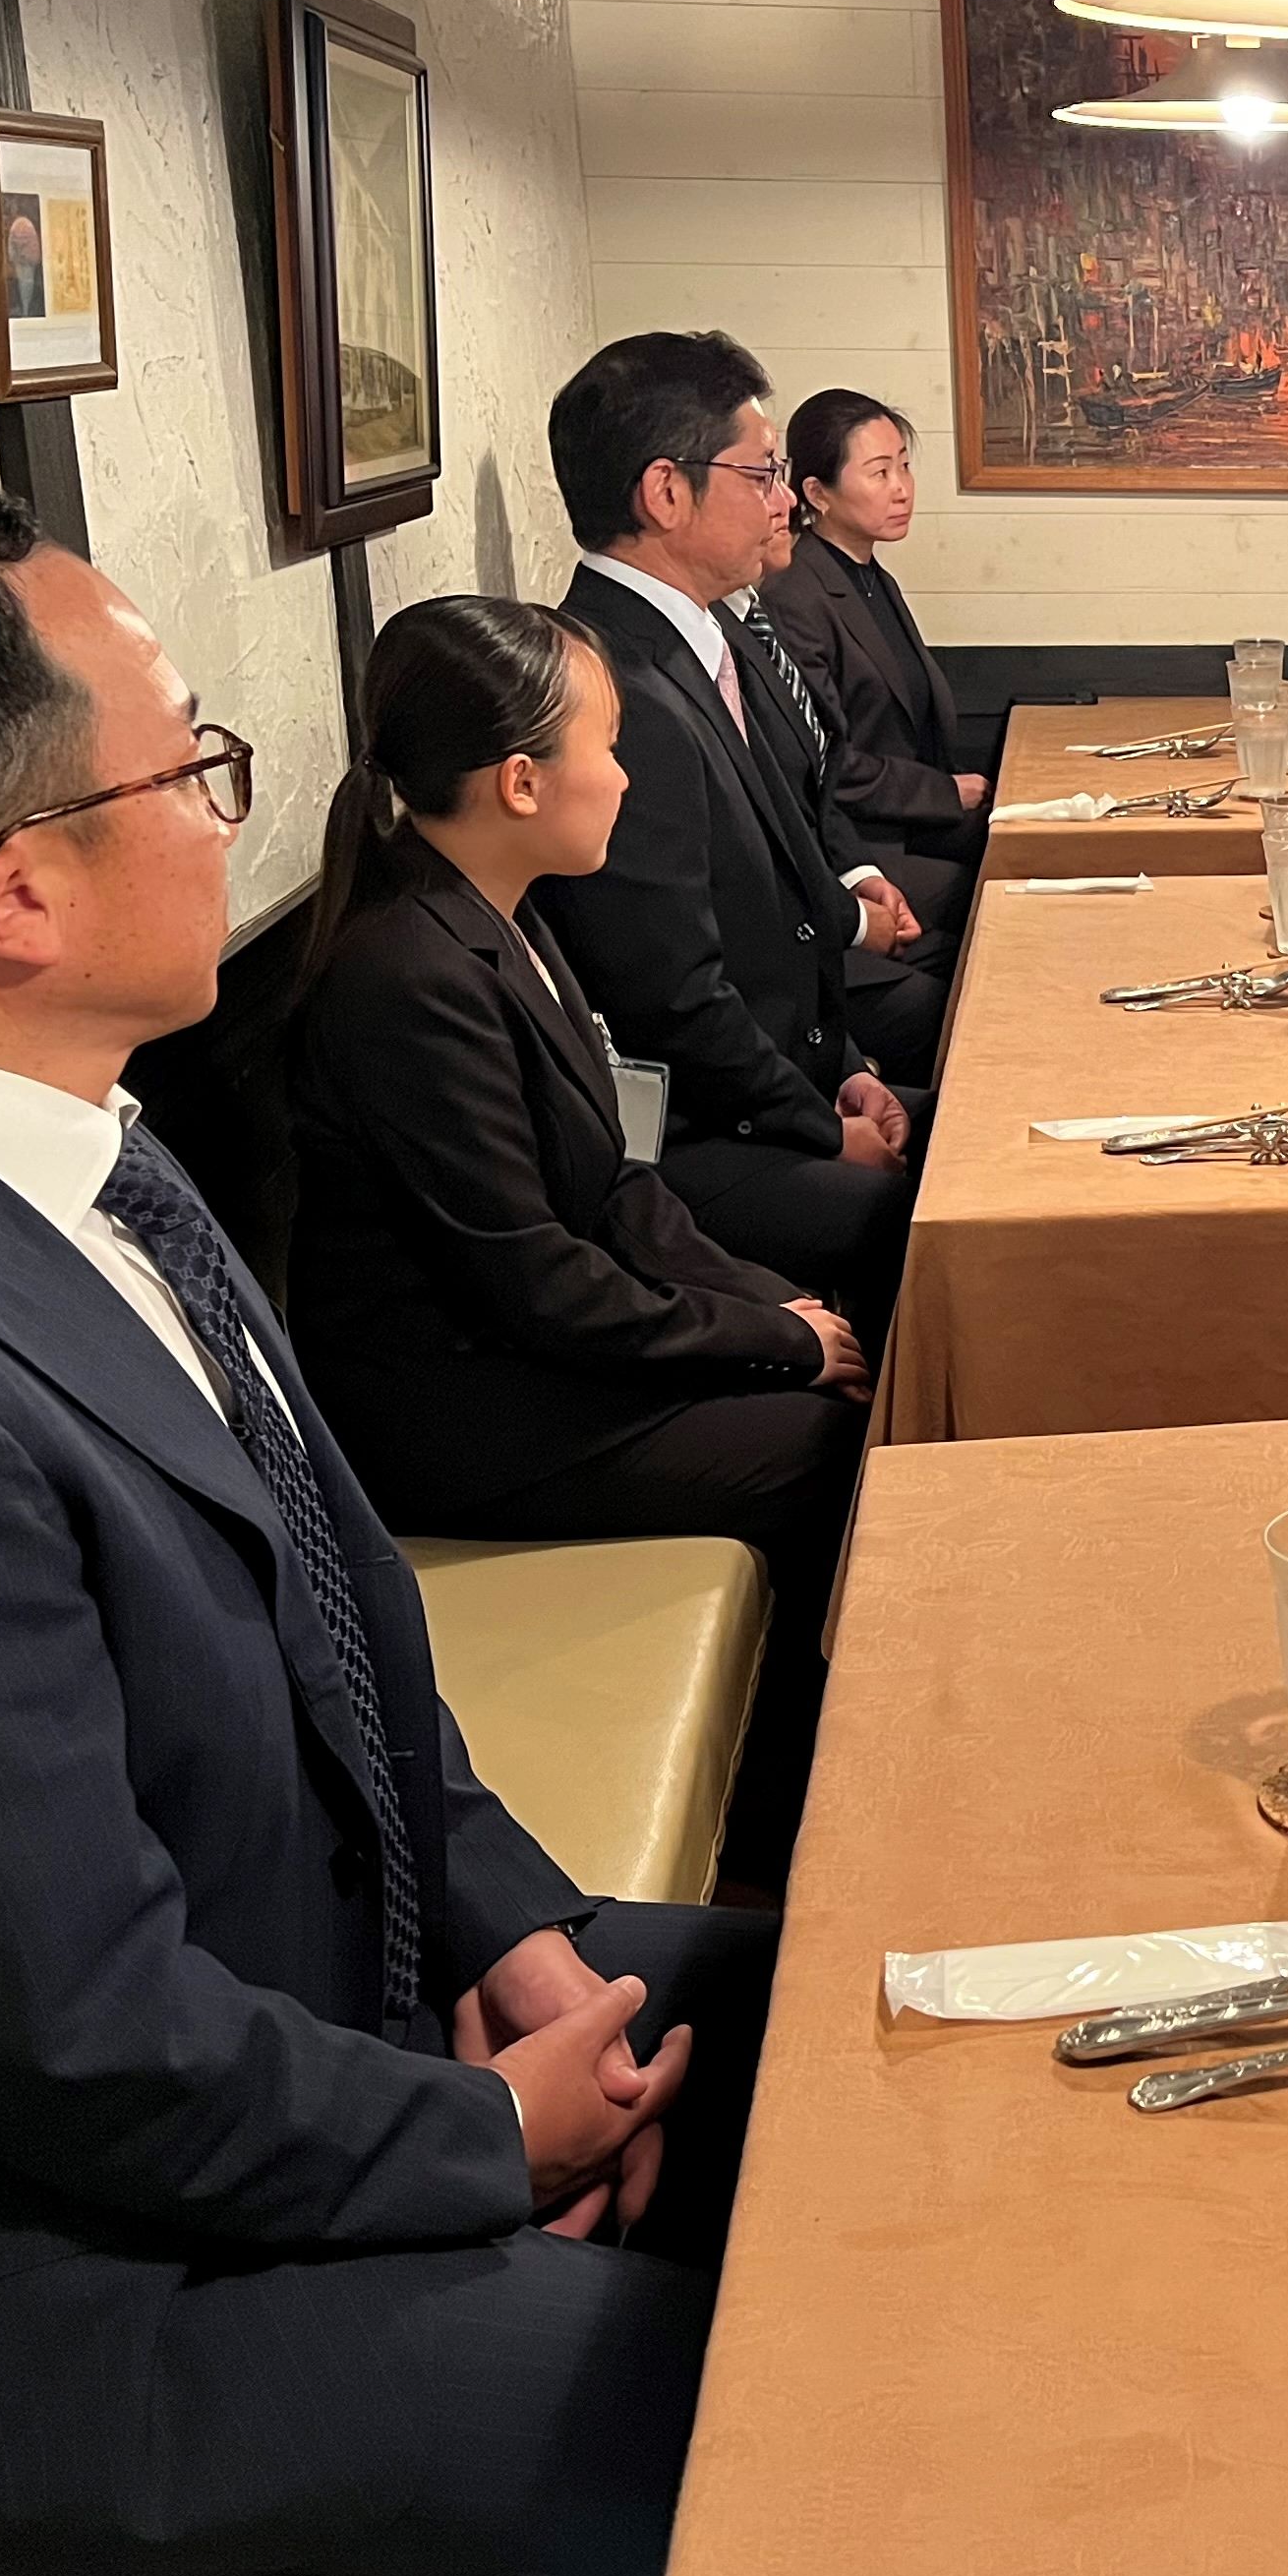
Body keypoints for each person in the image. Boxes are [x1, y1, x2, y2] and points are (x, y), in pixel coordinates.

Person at [0, 468, 760, 2576]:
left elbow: (346, 1629)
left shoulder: (82, 1149)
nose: (236, 813)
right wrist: (480, 2142)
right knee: (760, 2411)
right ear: (17, 890)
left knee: (838, 2009)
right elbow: (77, 2040)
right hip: (44, 2278)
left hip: (319, 2017)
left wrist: (507, 1930)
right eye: (193, 763)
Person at [286, 592, 868, 1867]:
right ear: (519, 781)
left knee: (834, 1354)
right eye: (607, 746)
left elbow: (616, 1187)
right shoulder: (409, 977)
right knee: (825, 1448)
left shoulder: (505, 915)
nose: (624, 776)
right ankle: (795, 1834)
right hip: (463, 1416)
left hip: (527, 1349)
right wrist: (770, 1343)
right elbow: (534, 1283)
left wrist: (775, 1308)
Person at [534, 329, 919, 1317]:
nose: (786, 502)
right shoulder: (615, 686)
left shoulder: (715, 639)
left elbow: (791, 897)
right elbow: (673, 996)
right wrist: (820, 1126)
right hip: (687, 1136)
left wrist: (847, 1071)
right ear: (666, 493)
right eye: (762, 473)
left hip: (785, 1075)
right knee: (931, 1208)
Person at [725, 506, 954, 1076]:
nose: (780, 504)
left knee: (984, 947)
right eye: (759, 478)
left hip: (833, 875)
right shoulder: (758, 612)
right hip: (779, 951)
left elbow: (813, 780)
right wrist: (853, 919)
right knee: (954, 996)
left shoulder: (748, 616)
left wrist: (859, 876)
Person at [757, 389, 986, 895]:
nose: (901, 489)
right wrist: (944, 792)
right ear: (817, 494)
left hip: (914, 823)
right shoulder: (796, 593)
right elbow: (826, 761)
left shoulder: (872, 577)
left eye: (904, 467)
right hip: (862, 845)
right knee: (1000, 884)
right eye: (880, 473)